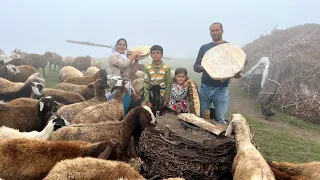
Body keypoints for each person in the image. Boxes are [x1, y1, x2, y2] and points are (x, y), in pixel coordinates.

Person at [193, 22, 241, 124]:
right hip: (205, 88)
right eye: (212, 31)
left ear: (222, 31)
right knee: (201, 118)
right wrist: (201, 67)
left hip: (221, 89)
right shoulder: (204, 48)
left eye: (217, 30)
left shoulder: (229, 48)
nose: (214, 32)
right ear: (210, 33)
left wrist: (236, 73)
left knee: (221, 119)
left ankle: (221, 138)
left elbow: (235, 68)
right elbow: (195, 67)